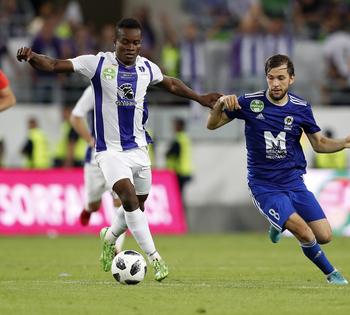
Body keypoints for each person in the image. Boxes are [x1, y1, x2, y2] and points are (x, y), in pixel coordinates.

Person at [17, 17, 220, 282]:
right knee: (128, 197)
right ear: (115, 41)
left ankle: (109, 235)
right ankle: (155, 258)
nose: (131, 47)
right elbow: (55, 65)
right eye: (125, 41)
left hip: (138, 149)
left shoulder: (147, 68)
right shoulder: (98, 63)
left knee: (138, 206)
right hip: (108, 151)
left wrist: (199, 98)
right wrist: (32, 56)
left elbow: (170, 83)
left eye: (136, 42)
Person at [207, 54, 350, 285]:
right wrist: (220, 104)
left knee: (324, 236)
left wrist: (343, 143)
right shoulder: (250, 102)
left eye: (281, 78)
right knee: (305, 233)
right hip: (264, 186)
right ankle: (332, 274)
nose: (275, 83)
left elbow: (319, 144)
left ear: (292, 79)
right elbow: (212, 125)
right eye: (271, 78)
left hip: (294, 183)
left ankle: (276, 223)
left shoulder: (301, 108)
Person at [70, 86, 125, 253]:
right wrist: (89, 140)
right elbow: (75, 117)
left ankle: (115, 246)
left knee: (121, 202)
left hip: (120, 156)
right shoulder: (95, 89)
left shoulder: (129, 87)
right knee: (94, 204)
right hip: (96, 159)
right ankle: (88, 208)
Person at [166, 118, 193, 199]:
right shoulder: (185, 138)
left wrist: (167, 154)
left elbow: (171, 154)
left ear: (179, 126)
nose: (173, 127)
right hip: (185, 170)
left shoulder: (178, 139)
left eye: (175, 125)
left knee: (178, 195)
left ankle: (180, 211)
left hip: (179, 171)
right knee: (180, 194)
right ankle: (182, 210)